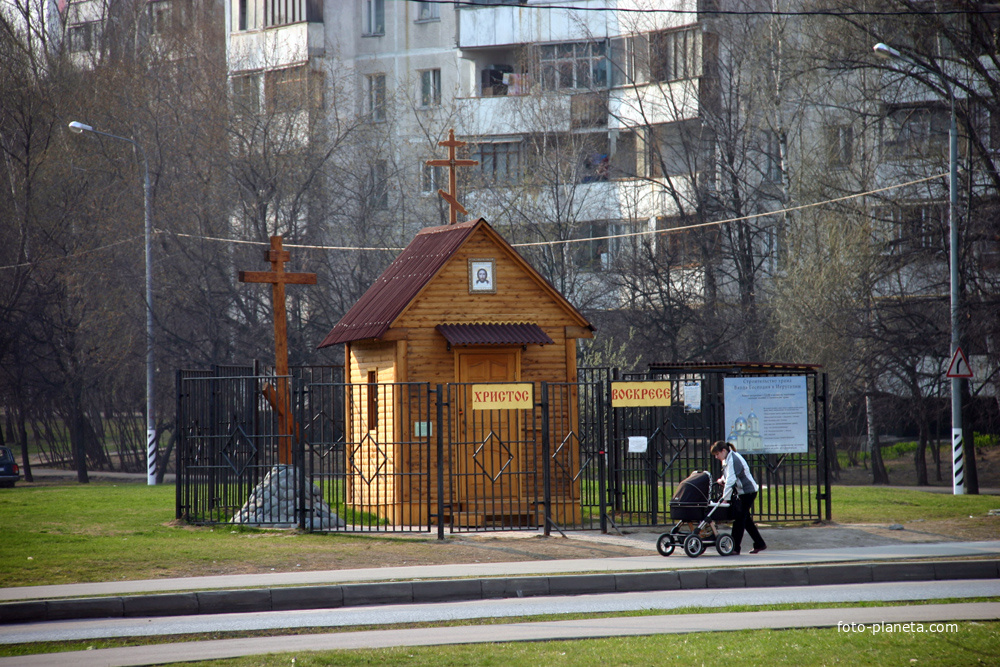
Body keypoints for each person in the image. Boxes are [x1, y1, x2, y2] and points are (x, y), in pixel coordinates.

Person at [711, 440, 766, 555]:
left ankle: (735, 548)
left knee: (739, 519)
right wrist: (722, 480)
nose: (716, 457)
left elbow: (731, 480)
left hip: (748, 492)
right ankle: (759, 544)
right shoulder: (727, 459)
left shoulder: (734, 459)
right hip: (743, 492)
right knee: (746, 520)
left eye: (717, 454)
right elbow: (728, 476)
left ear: (723, 451)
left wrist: (725, 498)